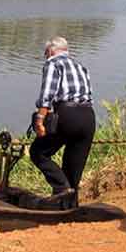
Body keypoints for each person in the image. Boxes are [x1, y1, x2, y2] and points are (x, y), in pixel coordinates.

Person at [29, 36, 95, 209]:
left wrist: (40, 120)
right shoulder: (81, 67)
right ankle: (69, 208)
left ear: (50, 51)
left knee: (38, 152)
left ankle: (61, 187)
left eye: (45, 53)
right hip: (88, 116)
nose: (45, 56)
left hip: (68, 114)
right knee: (73, 168)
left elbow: (47, 94)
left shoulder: (53, 64)